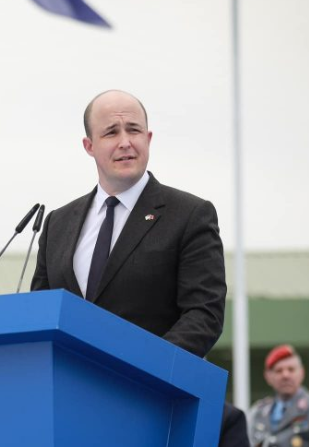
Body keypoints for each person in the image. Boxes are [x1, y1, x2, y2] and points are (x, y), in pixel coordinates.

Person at [30, 89, 226, 358]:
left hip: (147, 381)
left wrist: (146, 367)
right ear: (89, 146)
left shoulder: (190, 215)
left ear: (148, 138)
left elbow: (204, 313)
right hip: (68, 380)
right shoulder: (57, 224)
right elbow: (42, 313)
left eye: (134, 130)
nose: (125, 142)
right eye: (111, 132)